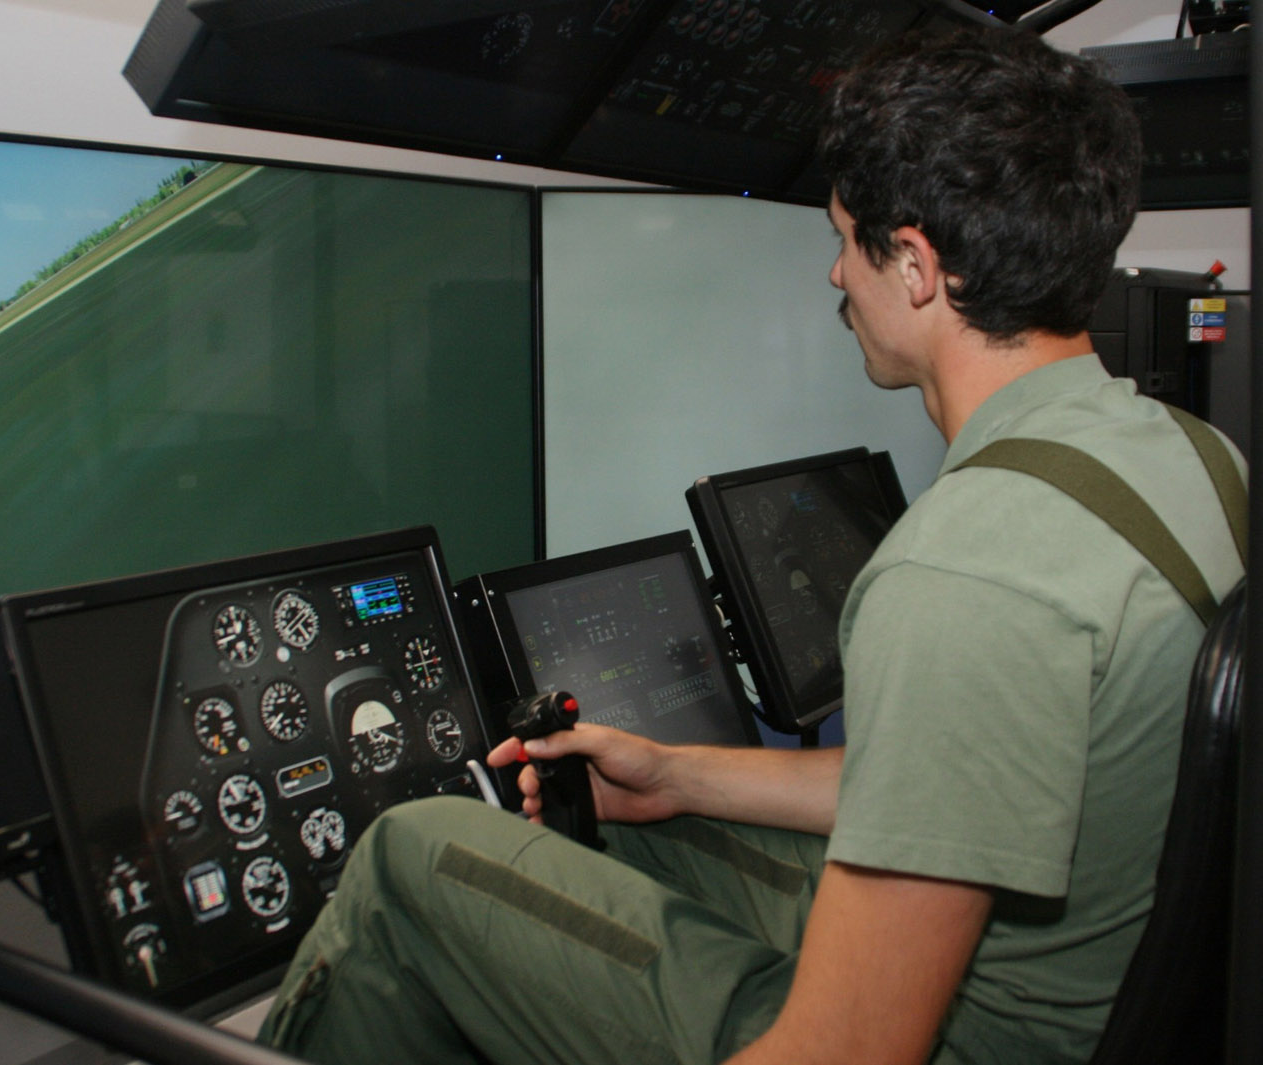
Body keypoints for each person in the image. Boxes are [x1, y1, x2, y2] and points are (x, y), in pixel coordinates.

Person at [258, 25, 1245, 1065]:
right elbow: (967, 781)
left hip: (976, 1038)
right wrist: (677, 774)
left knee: (412, 858)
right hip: (1098, 997)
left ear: (914, 266)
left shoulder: (958, 570)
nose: (836, 273)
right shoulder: (1196, 457)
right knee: (627, 827)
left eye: (845, 238)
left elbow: (848, 1052)